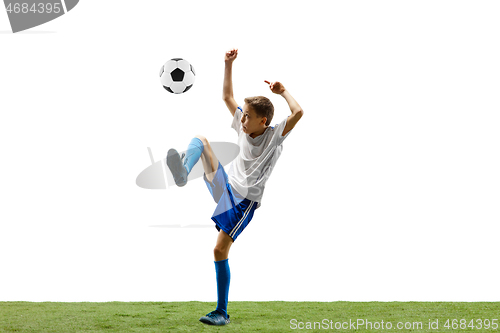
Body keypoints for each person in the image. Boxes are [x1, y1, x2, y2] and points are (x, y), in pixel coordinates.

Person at [166, 48, 304, 326]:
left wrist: (283, 90)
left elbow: (299, 111)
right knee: (201, 139)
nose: (241, 119)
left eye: (247, 116)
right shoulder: (244, 126)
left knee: (219, 251)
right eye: (242, 116)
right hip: (226, 187)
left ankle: (221, 312)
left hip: (244, 201)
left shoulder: (275, 136)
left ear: (262, 121)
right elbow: (227, 97)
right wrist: (227, 64)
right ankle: (182, 173)